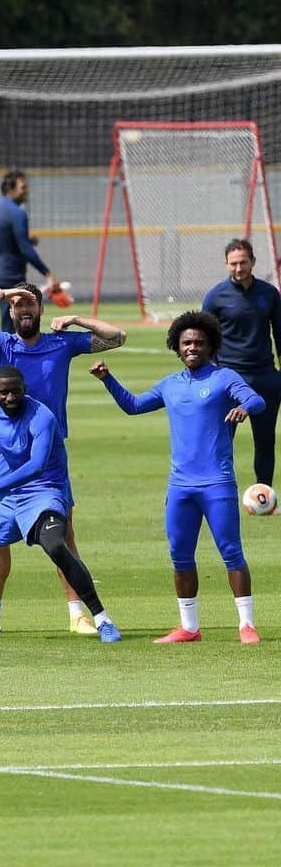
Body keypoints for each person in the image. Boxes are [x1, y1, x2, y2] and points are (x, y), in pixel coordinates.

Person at [0, 282, 126, 634]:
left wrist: (77, 318)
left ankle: (76, 613)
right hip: (8, 450)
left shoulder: (61, 344)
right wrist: (1, 294)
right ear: (10, 310)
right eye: (16, 304)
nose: (22, 309)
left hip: (49, 453)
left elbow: (117, 337)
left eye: (29, 303)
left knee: (62, 530)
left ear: (40, 311)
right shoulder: (2, 345)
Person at [91, 311, 264, 644]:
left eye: (199, 342)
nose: (193, 348)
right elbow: (134, 405)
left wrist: (244, 408)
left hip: (217, 482)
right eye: (187, 343)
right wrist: (107, 379)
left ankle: (246, 625)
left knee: (231, 552)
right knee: (180, 555)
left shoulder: (225, 378)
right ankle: (189, 627)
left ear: (211, 346)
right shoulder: (170, 385)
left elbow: (255, 399)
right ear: (177, 345)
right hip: (181, 486)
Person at [0, 366, 121, 642]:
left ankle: (103, 620)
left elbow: (37, 465)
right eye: (4, 392)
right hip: (10, 504)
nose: (10, 397)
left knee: (56, 545)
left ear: (25, 390)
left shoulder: (41, 416)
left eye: (16, 391)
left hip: (44, 494)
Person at [202, 238, 281, 486]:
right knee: (223, 441)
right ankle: (216, 491)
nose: (238, 268)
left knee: (266, 440)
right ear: (226, 264)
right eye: (233, 264)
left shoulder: (269, 294)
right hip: (228, 379)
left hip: (265, 377)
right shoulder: (215, 297)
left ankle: (264, 496)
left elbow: (280, 334)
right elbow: (203, 338)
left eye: (243, 263)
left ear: (253, 262)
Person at [0, 170, 59, 332]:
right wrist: (48, 274)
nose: (26, 191)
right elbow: (25, 249)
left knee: (12, 328)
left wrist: (26, 239)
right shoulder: (17, 213)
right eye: (23, 187)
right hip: (9, 276)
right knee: (12, 331)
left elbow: (7, 241)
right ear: (10, 189)